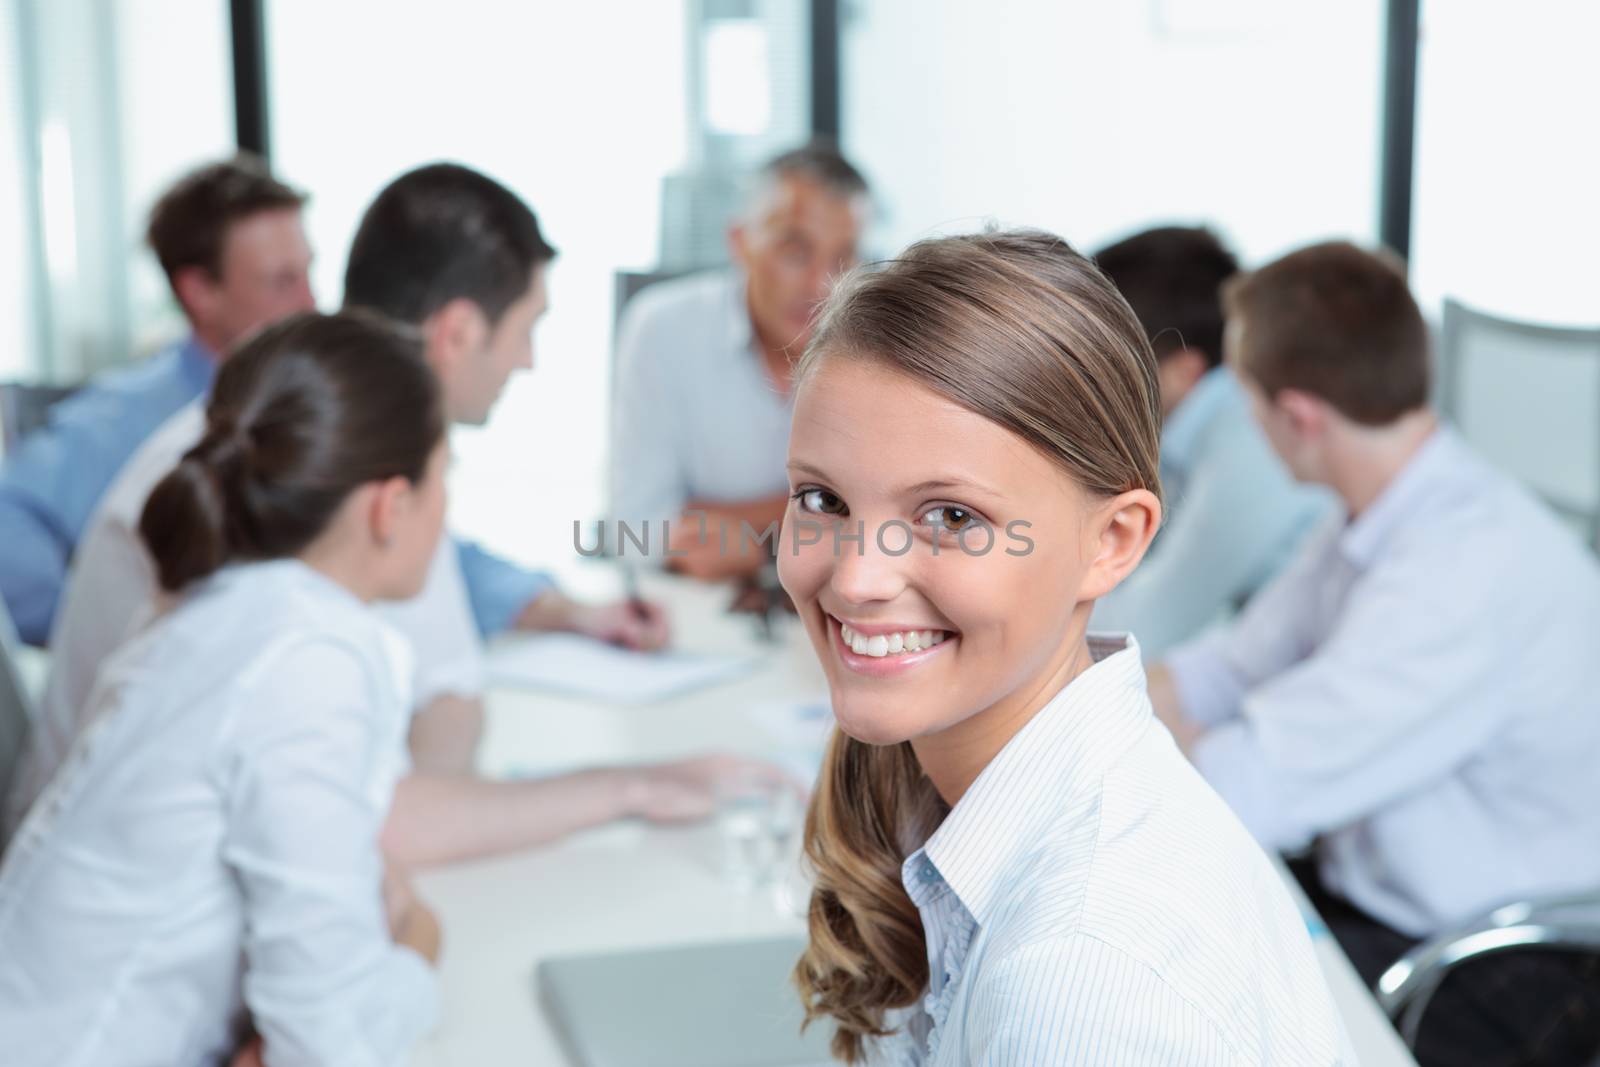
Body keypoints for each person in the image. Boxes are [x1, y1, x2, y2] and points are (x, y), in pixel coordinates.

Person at [14, 163, 780, 863]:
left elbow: (441, 673)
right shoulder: (310, 471)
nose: (529, 360)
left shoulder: (315, 429)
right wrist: (632, 784)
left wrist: (551, 616)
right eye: (528, 326)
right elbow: (409, 790)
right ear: (456, 332)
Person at [781, 231, 1347, 1064]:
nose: (859, 577)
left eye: (950, 516)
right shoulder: (948, 792)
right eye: (822, 497)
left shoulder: (1085, 976)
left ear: (1111, 541)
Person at [1147, 241, 1600, 1067]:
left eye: (1245, 401)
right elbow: (1223, 671)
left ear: (1301, 417)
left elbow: (1243, 786)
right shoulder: (1372, 517)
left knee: (1163, 1001)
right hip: (1376, 905)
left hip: (1493, 972)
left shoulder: (1461, 573)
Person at [0, 311, 443, 1066]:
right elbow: (329, 1043)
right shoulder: (311, 655)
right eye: (445, 477)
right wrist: (420, 948)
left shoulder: (221, 608)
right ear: (389, 506)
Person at [0, 154, 314, 643]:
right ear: (199, 292)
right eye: (282, 281)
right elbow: (8, 523)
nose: (311, 302)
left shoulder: (316, 402)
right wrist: (102, 641)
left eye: (308, 272)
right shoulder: (116, 422)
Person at [609, 141, 869, 581]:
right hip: (705, 611)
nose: (822, 284)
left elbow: (884, 520)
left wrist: (734, 529)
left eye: (842, 258)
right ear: (741, 242)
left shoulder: (874, 347)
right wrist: (823, 511)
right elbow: (636, 528)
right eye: (795, 250)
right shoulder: (663, 328)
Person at [1090, 226, 1331, 656]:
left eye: (1104, 363)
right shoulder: (1192, 427)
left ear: (1185, 370)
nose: (1089, 384)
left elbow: (1141, 629)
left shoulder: (1249, 445)